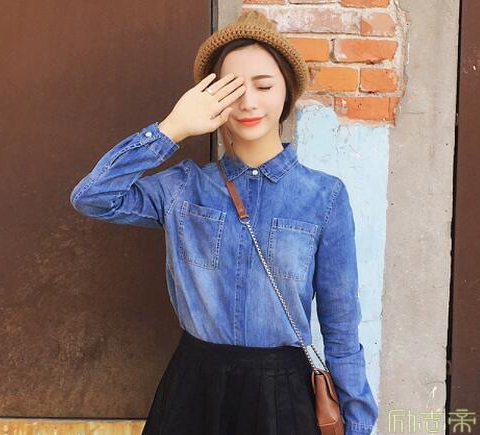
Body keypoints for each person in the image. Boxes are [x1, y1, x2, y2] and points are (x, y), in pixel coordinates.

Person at [69, 10, 378, 435]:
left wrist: (358, 424)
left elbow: (341, 328)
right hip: (194, 389)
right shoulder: (184, 187)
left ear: (287, 93)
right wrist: (172, 128)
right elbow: (93, 197)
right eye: (232, 88)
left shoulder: (324, 197)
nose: (248, 102)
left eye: (264, 86)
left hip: (283, 396)